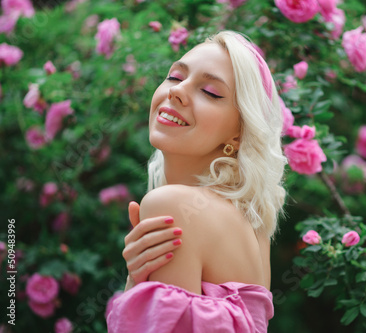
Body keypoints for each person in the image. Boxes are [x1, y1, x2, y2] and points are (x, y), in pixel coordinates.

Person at [106, 30, 286, 333]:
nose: (177, 91)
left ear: (239, 134)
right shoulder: (256, 228)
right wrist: (137, 283)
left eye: (211, 92)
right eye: (175, 77)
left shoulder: (173, 206)